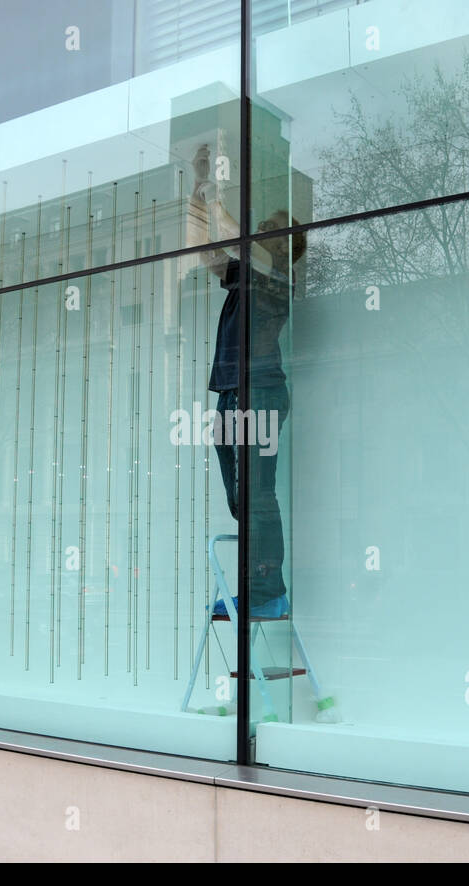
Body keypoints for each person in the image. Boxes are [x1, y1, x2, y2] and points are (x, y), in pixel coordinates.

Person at [192, 146, 306, 620]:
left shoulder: (278, 275)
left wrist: (216, 195)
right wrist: (198, 191)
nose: (260, 229)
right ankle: (258, 579)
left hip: (261, 390)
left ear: (285, 244)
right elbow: (210, 254)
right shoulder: (249, 273)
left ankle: (269, 592)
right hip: (233, 390)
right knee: (240, 490)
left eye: (268, 227)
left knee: (259, 494)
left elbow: (236, 241)